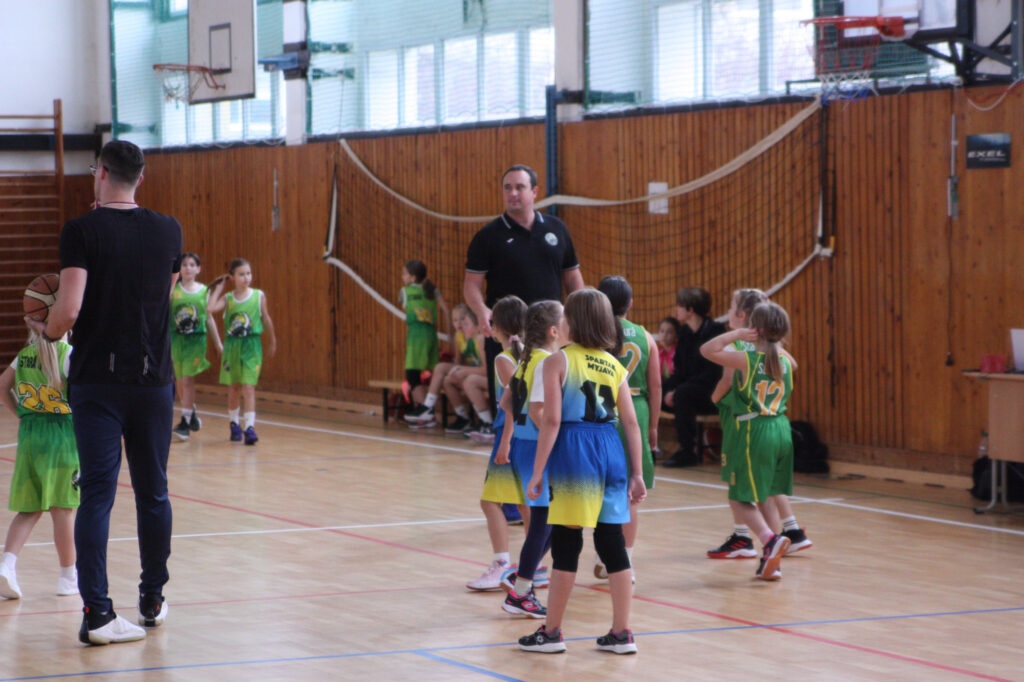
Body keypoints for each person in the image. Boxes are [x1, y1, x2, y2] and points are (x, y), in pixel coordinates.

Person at [28, 139, 181, 644]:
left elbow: (69, 309)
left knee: (96, 494)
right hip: (153, 381)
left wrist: (48, 331)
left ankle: (97, 613)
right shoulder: (169, 229)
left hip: (97, 382)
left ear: (100, 173)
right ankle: (152, 599)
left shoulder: (81, 230)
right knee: (154, 492)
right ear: (142, 177)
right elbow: (161, 296)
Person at [517, 289, 646, 655]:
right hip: (611, 448)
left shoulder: (558, 361)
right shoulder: (614, 365)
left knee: (567, 542)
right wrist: (637, 472)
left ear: (570, 322)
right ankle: (621, 633)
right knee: (612, 543)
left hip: (576, 450)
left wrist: (538, 471)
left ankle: (551, 632)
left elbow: (552, 420)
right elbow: (631, 423)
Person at [463, 164, 584, 416]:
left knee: (552, 403)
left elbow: (573, 277)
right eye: (507, 188)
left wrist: (578, 314)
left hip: (551, 333)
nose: (513, 193)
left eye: (520, 187)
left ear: (535, 191)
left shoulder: (557, 229)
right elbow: (471, 285)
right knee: (511, 407)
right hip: (508, 331)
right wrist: (481, 310)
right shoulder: (487, 236)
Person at [706, 289, 812, 560]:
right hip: (779, 424)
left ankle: (760, 538)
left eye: (731, 307)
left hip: (750, 424)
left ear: (748, 320)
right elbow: (793, 364)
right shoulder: (781, 359)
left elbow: (711, 357)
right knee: (766, 490)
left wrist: (715, 399)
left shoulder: (744, 354)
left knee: (741, 493)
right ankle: (775, 545)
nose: (728, 312)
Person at [493, 300, 565, 617]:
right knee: (544, 522)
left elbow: (506, 401)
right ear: (554, 330)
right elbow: (537, 410)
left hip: (524, 445)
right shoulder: (545, 361)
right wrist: (555, 439)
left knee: (552, 522)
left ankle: (521, 576)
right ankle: (521, 590)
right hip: (537, 446)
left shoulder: (526, 358)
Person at [0, 324, 78, 600]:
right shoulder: (68, 354)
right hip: (62, 435)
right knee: (63, 509)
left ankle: (6, 565)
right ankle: (68, 578)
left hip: (30, 435)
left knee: (29, 509)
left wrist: (21, 414)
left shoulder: (24, 355)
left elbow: (2, 386)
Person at [593, 276, 660, 583]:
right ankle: (625, 562)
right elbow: (656, 385)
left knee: (601, 488)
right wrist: (654, 425)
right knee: (632, 493)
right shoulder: (646, 336)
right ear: (630, 303)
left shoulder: (596, 333)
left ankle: (605, 553)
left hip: (604, 409)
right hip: (638, 410)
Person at [466, 296, 530, 591]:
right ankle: (534, 566)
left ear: (496, 326)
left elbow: (516, 402)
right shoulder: (531, 354)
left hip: (510, 433)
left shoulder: (503, 359)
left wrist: (504, 442)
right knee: (524, 502)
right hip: (528, 434)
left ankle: (501, 564)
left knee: (490, 501)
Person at [207, 258, 277, 445]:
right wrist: (218, 289)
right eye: (241, 274)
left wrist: (273, 340)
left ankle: (250, 427)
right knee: (234, 387)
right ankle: (234, 423)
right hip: (233, 346)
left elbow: (266, 318)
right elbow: (210, 309)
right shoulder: (228, 298)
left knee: (248, 386)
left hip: (251, 345)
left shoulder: (258, 295)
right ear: (232, 277)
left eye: (248, 273)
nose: (246, 277)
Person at [661, 287, 726, 467]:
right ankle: (650, 447)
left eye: (679, 306)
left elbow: (713, 374)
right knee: (657, 390)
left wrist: (677, 391)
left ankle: (687, 451)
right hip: (689, 389)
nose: (676, 309)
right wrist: (667, 389)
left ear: (690, 310)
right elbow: (680, 371)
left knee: (682, 395)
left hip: (712, 392)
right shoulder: (684, 332)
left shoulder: (715, 331)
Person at [169, 252, 222, 442]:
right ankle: (190, 413)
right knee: (179, 380)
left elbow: (209, 319)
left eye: (192, 265)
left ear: (198, 269)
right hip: (177, 340)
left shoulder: (203, 291)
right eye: (184, 265)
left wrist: (218, 343)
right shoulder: (173, 291)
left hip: (196, 341)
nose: (188, 268)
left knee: (187, 380)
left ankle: (185, 422)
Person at [399, 261, 451, 425]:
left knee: (412, 374)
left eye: (404, 273)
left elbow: (407, 312)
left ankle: (425, 412)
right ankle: (422, 411)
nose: (402, 277)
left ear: (413, 277)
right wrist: (450, 334)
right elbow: (446, 310)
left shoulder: (405, 291)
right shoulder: (432, 290)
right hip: (431, 334)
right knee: (425, 374)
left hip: (416, 335)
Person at [442, 305, 487, 434]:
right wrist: (459, 369)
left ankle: (487, 422)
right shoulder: (461, 337)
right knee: (449, 380)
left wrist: (464, 370)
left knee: (470, 380)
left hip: (493, 380)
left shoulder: (480, 339)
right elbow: (458, 361)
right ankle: (464, 418)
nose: (462, 326)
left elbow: (486, 371)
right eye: (457, 321)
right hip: (479, 376)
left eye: (466, 323)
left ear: (477, 327)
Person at [657, 317, 680, 381]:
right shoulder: (658, 353)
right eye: (662, 331)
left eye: (669, 332)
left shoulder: (679, 353)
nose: (664, 335)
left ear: (676, 335)